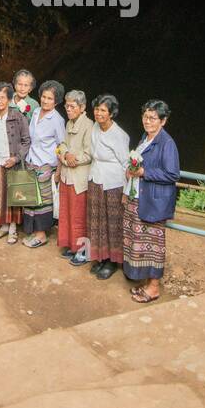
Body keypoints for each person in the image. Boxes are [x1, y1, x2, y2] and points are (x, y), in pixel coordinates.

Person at [124, 100, 180, 303]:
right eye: (145, 117)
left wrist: (144, 172)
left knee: (154, 245)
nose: (147, 121)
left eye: (153, 118)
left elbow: (173, 174)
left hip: (154, 202)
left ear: (163, 121)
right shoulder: (146, 138)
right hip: (140, 197)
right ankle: (148, 282)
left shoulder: (167, 143)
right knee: (140, 242)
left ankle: (154, 288)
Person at [83, 94, 129, 279]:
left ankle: (112, 261)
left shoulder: (119, 135)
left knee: (111, 222)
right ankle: (100, 257)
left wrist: (127, 190)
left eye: (103, 110)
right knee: (96, 219)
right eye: (97, 109)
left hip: (112, 182)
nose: (99, 113)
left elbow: (126, 163)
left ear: (111, 114)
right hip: (95, 177)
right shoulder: (95, 127)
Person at [0, 81, 30, 245]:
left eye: (2, 98)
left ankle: (13, 228)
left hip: (12, 163)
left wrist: (16, 158)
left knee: (12, 197)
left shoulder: (18, 117)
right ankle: (3, 226)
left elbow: (26, 141)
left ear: (9, 99)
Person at [22, 80, 66, 248]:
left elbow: (62, 145)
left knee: (43, 201)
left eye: (50, 98)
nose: (46, 101)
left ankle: (41, 235)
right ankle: (34, 232)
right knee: (32, 198)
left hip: (46, 165)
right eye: (44, 97)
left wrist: (58, 171)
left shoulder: (57, 120)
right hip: (31, 161)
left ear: (56, 101)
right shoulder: (36, 112)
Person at [58, 90, 94, 261]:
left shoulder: (89, 125)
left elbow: (89, 153)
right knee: (67, 213)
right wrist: (66, 155)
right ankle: (73, 246)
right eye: (67, 105)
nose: (68, 109)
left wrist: (73, 158)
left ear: (82, 107)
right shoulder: (69, 123)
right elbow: (63, 144)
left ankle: (83, 251)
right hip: (67, 175)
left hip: (79, 177)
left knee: (79, 216)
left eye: (72, 106)